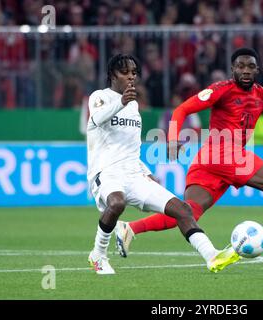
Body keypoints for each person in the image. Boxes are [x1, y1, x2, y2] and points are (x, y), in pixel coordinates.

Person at [116, 48, 263, 257]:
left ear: (257, 70)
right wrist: (172, 138)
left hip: (209, 160)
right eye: (240, 66)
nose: (246, 70)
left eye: (250, 66)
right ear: (233, 70)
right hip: (223, 152)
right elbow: (182, 109)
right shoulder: (221, 89)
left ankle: (129, 229)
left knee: (187, 213)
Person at [86, 54, 240, 275]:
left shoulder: (133, 106)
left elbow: (130, 148)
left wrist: (146, 173)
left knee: (183, 209)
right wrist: (120, 102)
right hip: (107, 172)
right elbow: (97, 118)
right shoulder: (100, 96)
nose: (131, 77)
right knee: (117, 204)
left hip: (133, 174)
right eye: (125, 72)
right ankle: (98, 255)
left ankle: (212, 256)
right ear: (112, 75)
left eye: (134, 73)